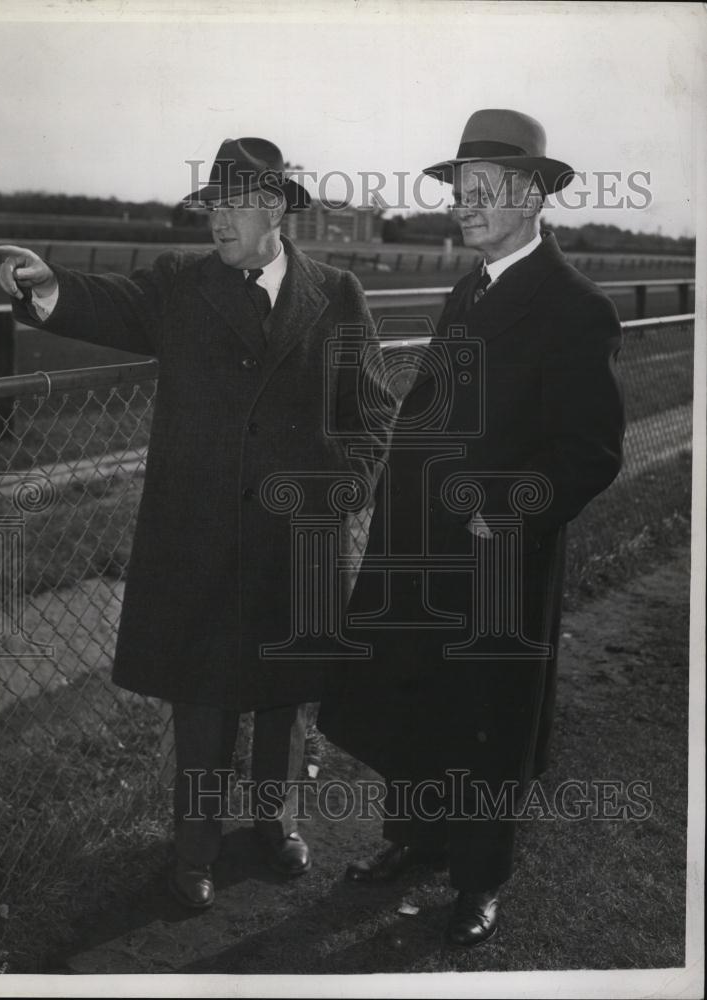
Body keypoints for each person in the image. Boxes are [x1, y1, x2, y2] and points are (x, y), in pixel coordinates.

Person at [0, 137, 389, 911]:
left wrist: (338, 494)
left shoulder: (336, 293)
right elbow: (107, 302)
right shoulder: (180, 285)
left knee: (284, 696)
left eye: (235, 204)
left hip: (295, 541)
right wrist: (46, 285)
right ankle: (194, 851)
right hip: (198, 538)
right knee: (202, 700)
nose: (216, 220)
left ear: (274, 208)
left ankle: (276, 822)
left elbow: (371, 413)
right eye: (211, 205)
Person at [319, 109, 625, 946]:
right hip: (421, 546)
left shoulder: (574, 307)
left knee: (489, 716)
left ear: (532, 195)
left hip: (497, 558)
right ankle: (412, 840)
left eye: (483, 192)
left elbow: (590, 452)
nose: (465, 206)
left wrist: (505, 512)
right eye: (460, 192)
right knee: (417, 692)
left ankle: (479, 880)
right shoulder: (468, 290)